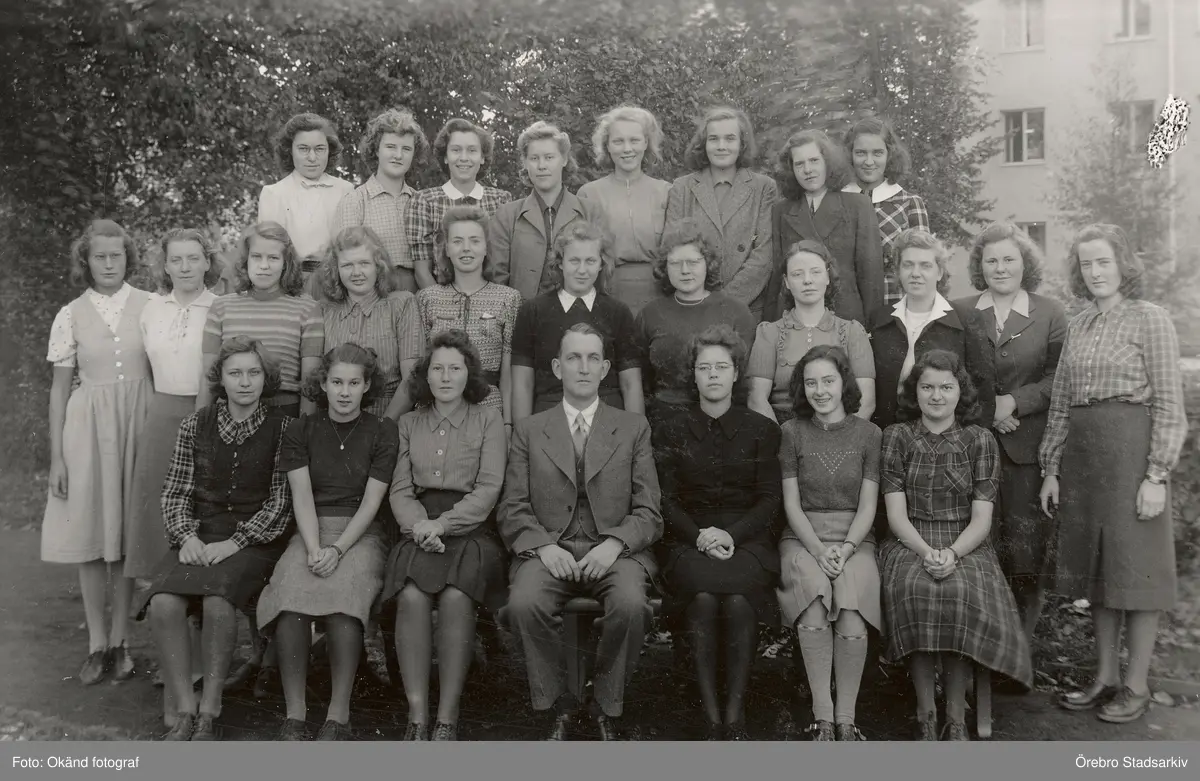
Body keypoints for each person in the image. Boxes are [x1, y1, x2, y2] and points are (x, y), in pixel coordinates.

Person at [1040, 224, 1187, 724]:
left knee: (1138, 574)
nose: (1095, 272)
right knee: (1099, 574)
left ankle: (1137, 686)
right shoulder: (1079, 325)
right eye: (1086, 264)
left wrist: (1156, 476)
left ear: (1123, 264)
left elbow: (1169, 404)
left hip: (1132, 458)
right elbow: (1061, 403)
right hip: (1085, 462)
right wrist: (1051, 468)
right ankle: (1103, 678)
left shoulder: (1151, 319)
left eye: (1103, 261)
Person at [498, 322, 663, 741]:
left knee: (631, 604)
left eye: (593, 358)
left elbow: (649, 510)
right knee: (524, 603)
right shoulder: (530, 429)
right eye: (573, 358)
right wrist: (543, 547)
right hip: (550, 548)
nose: (583, 367)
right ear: (557, 367)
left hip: (614, 551)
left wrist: (615, 544)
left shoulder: (633, 427)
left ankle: (604, 702)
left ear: (605, 369)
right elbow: (513, 507)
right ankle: (559, 703)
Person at [137, 336, 294, 741]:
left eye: (254, 373)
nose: (245, 382)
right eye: (235, 373)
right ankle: (184, 709)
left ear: (266, 379)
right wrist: (186, 536)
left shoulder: (283, 429)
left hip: (253, 542)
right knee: (163, 603)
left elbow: (280, 503)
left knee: (218, 601)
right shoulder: (196, 424)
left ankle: (210, 707)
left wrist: (235, 542)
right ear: (220, 378)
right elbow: (175, 492)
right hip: (201, 535)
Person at [880, 349, 1032, 740]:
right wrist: (925, 552)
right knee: (913, 589)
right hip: (911, 539)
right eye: (927, 387)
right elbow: (896, 516)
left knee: (960, 591)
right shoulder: (897, 436)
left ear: (960, 391)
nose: (936, 396)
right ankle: (925, 713)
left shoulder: (980, 439)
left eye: (946, 387)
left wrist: (952, 553)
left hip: (965, 541)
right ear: (914, 392)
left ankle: (956, 717)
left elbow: (982, 519)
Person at [256, 343, 398, 741]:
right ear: (323, 384)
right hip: (311, 530)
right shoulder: (301, 429)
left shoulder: (382, 431)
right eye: (337, 382)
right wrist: (315, 546)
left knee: (343, 604)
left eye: (354, 383)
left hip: (360, 534)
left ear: (367, 386)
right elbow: (301, 496)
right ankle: (295, 715)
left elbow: (372, 502)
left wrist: (337, 550)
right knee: (291, 600)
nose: (344, 392)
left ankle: (338, 716)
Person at [652, 325, 781, 740]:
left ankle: (735, 716)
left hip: (747, 542)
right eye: (704, 367)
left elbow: (769, 499)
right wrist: (699, 536)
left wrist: (731, 535)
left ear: (736, 373)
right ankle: (711, 718)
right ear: (692, 375)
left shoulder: (762, 430)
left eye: (721, 367)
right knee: (705, 599)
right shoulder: (671, 428)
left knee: (740, 603)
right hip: (688, 541)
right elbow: (666, 499)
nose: (712, 375)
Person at [381, 330, 507, 741]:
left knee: (455, 597)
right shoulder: (408, 423)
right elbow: (400, 489)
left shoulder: (488, 419)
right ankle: (417, 716)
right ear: (426, 375)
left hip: (471, 530)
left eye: (455, 368)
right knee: (411, 597)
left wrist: (443, 525)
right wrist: (420, 526)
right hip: (417, 527)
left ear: (469, 374)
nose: (446, 376)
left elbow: (488, 488)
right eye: (438, 368)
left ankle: (447, 718)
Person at [42, 219, 152, 687]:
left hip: (138, 425)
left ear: (128, 258)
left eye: (116, 255)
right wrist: (57, 458)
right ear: (85, 262)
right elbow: (59, 390)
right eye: (99, 256)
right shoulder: (70, 314)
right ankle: (97, 643)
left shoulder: (151, 306)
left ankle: (123, 641)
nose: (109, 264)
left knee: (126, 536)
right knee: (90, 537)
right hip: (87, 430)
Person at [956, 222, 1066, 643]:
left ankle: (1019, 654)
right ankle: (983, 651)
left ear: (1025, 263)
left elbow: (1060, 378)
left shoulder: (1050, 312)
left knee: (1025, 557)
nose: (1000, 268)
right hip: (973, 450)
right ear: (979, 265)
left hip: (1027, 453)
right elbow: (952, 375)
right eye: (991, 260)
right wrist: (991, 410)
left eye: (1009, 259)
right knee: (978, 552)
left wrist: (1015, 402)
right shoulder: (961, 311)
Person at [776, 345, 882, 742]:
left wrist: (847, 548)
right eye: (811, 383)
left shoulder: (870, 434)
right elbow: (791, 504)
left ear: (844, 384)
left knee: (851, 608)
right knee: (814, 600)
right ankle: (822, 717)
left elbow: (868, 506)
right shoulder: (791, 432)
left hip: (855, 538)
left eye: (828, 381)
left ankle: (845, 720)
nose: (820, 391)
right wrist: (819, 552)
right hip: (803, 538)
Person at [128, 229, 223, 581]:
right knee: (156, 493)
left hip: (206, 410)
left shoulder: (220, 306)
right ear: (165, 266)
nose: (185, 267)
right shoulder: (151, 309)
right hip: (162, 412)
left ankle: (196, 583)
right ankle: (156, 583)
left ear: (207, 263)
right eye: (176, 260)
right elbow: (144, 366)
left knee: (201, 496)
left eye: (193, 258)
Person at [510, 221, 643, 423]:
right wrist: (522, 434)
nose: (582, 270)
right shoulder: (533, 311)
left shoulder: (618, 312)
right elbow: (523, 383)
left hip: (607, 419)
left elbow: (630, 383)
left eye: (590, 261)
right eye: (574, 261)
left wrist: (636, 434)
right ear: (560, 263)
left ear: (601, 264)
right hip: (548, 418)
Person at [635, 220, 757, 429]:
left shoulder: (736, 311)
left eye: (693, 262)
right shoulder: (650, 314)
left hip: (722, 420)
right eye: (675, 263)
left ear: (707, 263)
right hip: (665, 421)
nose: (685, 270)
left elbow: (745, 379)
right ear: (664, 267)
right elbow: (642, 380)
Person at [870, 228, 995, 431]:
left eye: (925, 265)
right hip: (889, 438)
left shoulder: (966, 319)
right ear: (898, 271)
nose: (915, 273)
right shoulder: (879, 320)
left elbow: (984, 391)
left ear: (939, 272)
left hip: (949, 441)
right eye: (908, 265)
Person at [200, 221, 324, 418]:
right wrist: (201, 425)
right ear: (245, 260)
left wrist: (304, 429)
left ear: (286, 263)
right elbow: (209, 378)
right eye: (256, 256)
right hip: (231, 415)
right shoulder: (221, 307)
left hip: (284, 414)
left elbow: (310, 383)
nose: (264, 266)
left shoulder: (308, 309)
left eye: (273, 258)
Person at [665, 106, 778, 320]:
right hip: (693, 307)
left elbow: (764, 255)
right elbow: (671, 248)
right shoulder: (682, 187)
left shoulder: (764, 188)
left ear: (742, 144)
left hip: (745, 309)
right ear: (703, 144)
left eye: (730, 138)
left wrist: (724, 304)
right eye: (713, 139)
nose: (721, 146)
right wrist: (701, 300)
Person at [762, 129, 883, 327]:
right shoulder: (781, 210)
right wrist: (770, 327)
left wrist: (872, 330)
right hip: (794, 319)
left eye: (814, 161)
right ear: (791, 169)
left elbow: (871, 276)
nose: (807, 170)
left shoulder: (858, 205)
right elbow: (776, 276)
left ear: (828, 162)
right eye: (799, 164)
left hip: (844, 318)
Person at [748, 239, 875, 426]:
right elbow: (756, 400)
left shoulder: (852, 332)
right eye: (797, 274)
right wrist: (784, 440)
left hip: (840, 434)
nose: (807, 280)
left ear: (828, 277)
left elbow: (867, 401)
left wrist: (841, 437)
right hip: (781, 433)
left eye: (815, 272)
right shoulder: (769, 333)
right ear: (787, 282)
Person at [416, 206, 522, 421]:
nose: (466, 249)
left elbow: (508, 374)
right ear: (446, 249)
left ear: (486, 247)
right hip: (436, 410)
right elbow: (420, 367)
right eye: (457, 241)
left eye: (474, 241)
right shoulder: (427, 298)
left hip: (488, 409)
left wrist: (507, 424)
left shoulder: (508, 298)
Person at [317, 225, 423, 421]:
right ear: (336, 269)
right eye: (347, 265)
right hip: (335, 422)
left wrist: (384, 426)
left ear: (378, 265)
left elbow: (412, 377)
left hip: (388, 417)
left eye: (364, 263)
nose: (356, 272)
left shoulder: (401, 304)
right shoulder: (325, 310)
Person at [577, 105, 671, 315]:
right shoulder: (589, 194)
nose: (627, 149)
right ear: (607, 146)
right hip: (607, 292)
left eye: (634, 140)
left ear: (646, 143)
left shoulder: (666, 192)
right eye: (618, 141)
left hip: (659, 292)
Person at [490, 120, 592, 301]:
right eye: (534, 158)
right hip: (523, 314)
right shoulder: (507, 215)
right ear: (525, 163)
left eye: (549, 157)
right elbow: (497, 279)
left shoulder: (590, 211)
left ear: (564, 160)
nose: (541, 165)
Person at [407, 118, 512, 290]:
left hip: (492, 300)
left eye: (472, 150)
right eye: (456, 150)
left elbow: (505, 266)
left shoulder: (501, 201)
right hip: (440, 301)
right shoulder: (424, 201)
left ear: (482, 157)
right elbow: (422, 272)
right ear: (445, 157)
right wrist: (442, 303)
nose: (464, 158)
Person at [334, 108, 429, 293]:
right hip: (372, 292)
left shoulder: (421, 202)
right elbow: (345, 259)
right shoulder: (355, 201)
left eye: (406, 149)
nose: (398, 155)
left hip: (416, 293)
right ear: (376, 150)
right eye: (391, 147)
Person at [841, 117, 930, 309]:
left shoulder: (909, 203)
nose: (869, 161)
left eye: (878, 153)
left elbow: (923, 267)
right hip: (847, 310)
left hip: (895, 308)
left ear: (890, 155)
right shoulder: (838, 201)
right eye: (861, 153)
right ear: (849, 155)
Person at [258, 113, 354, 278]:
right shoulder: (274, 194)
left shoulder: (345, 190)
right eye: (303, 149)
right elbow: (270, 251)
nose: (312, 157)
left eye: (319, 149)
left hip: (338, 280)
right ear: (290, 150)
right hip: (292, 281)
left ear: (329, 150)